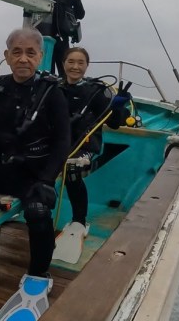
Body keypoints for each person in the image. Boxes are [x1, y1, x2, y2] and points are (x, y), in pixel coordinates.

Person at [0, 27, 70, 284]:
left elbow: (63, 141)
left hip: (33, 175)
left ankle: (39, 273)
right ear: (7, 56)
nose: (23, 59)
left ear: (40, 57)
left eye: (30, 53)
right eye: (16, 52)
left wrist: (47, 180)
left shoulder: (52, 92)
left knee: (38, 214)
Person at [58, 47, 131, 231]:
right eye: (71, 62)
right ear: (63, 64)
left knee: (72, 170)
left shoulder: (96, 91)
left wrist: (117, 107)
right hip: (59, 141)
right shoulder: (55, 88)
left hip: (85, 144)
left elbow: (114, 124)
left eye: (80, 63)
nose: (75, 67)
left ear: (87, 66)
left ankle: (79, 221)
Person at [42, 0, 85, 75]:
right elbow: (81, 14)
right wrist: (70, 13)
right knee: (65, 73)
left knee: (46, 72)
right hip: (62, 36)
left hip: (45, 36)